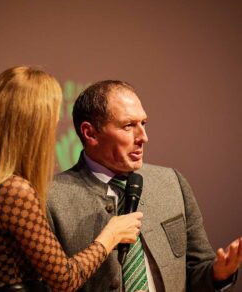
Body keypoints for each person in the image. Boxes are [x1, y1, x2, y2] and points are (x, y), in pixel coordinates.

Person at [0, 67, 143, 292]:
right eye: (50, 121)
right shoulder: (15, 190)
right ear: (30, 127)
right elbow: (64, 279)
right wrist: (112, 234)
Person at [47, 80, 242, 292]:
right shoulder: (52, 199)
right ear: (90, 133)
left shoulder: (171, 182)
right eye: (128, 126)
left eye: (143, 124)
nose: (143, 138)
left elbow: (196, 271)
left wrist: (218, 274)